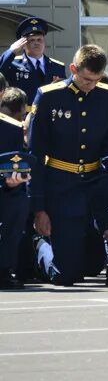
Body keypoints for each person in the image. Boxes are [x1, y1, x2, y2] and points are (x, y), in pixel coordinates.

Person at [28, 44, 108, 286]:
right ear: (73, 69)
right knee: (67, 276)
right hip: (62, 186)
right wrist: (39, 208)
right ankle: (41, 247)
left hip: (96, 182)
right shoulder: (49, 96)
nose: (90, 85)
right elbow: (36, 155)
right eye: (86, 79)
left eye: (96, 80)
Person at [0, 17, 67, 102]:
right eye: (32, 40)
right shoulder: (13, 64)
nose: (36, 43)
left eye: (39, 39)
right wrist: (11, 52)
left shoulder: (57, 66)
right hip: (23, 113)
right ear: (23, 44)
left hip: (49, 114)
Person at [0, 122, 29, 289]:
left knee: (18, 201)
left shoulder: (11, 129)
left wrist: (11, 183)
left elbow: (16, 167)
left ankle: (4, 268)